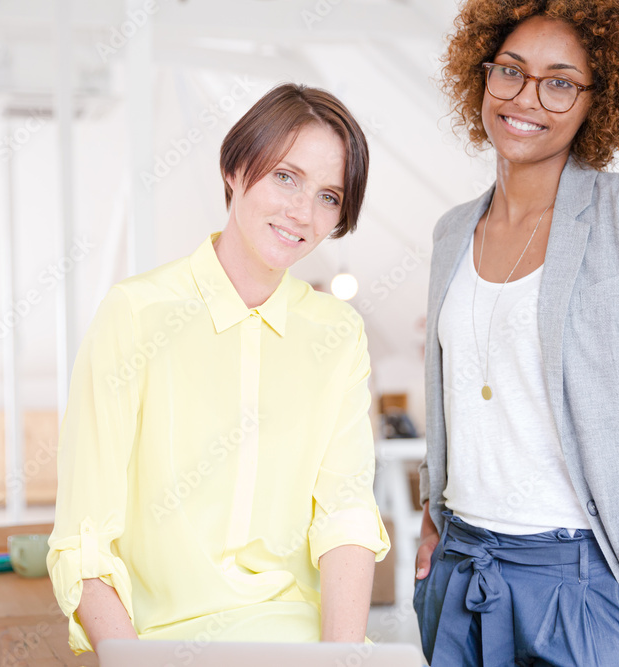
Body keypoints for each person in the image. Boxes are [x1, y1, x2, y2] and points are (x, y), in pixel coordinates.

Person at [414, 1, 619, 665]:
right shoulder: (452, 230)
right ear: (481, 75)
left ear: (601, 98)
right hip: (463, 570)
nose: (526, 98)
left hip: (589, 584)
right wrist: (431, 523)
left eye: (560, 81)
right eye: (510, 70)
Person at [47, 83, 390, 654]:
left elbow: (346, 517)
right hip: (159, 645)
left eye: (329, 197)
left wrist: (343, 660)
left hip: (304, 644)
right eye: (286, 176)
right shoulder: (136, 314)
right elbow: (84, 543)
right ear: (234, 168)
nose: (302, 212)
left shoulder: (338, 334)